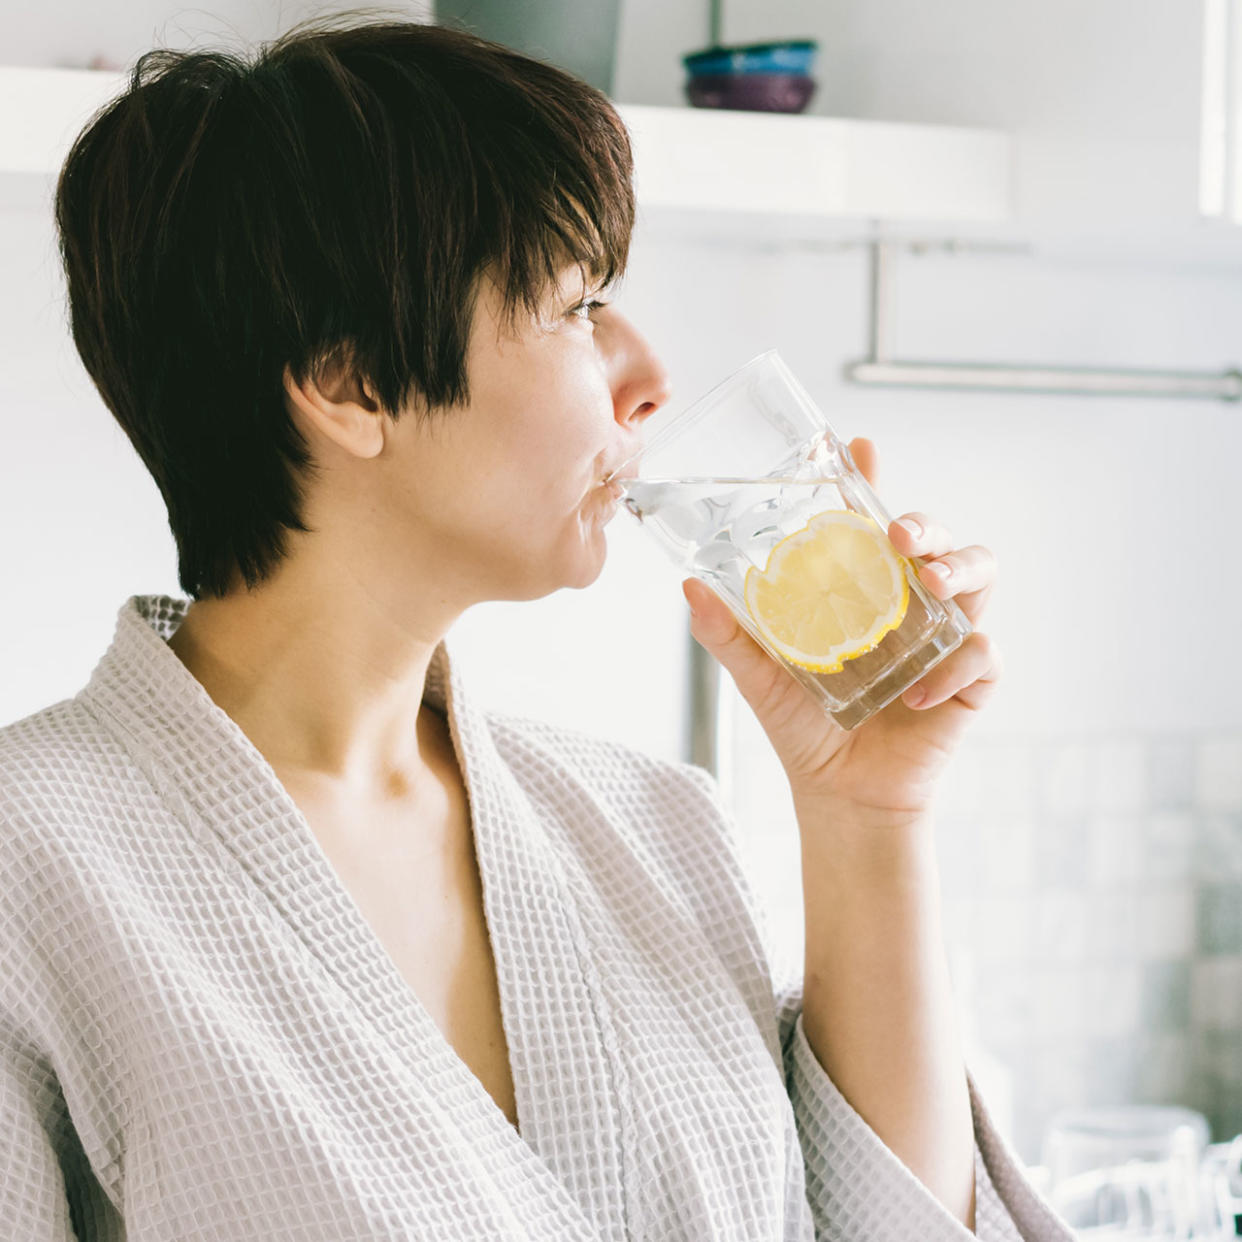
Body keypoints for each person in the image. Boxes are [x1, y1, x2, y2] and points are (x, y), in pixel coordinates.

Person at [0, 14, 1068, 1241]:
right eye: (577, 305)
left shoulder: (652, 828)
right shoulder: (32, 872)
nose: (647, 372)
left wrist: (869, 817)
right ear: (350, 385)